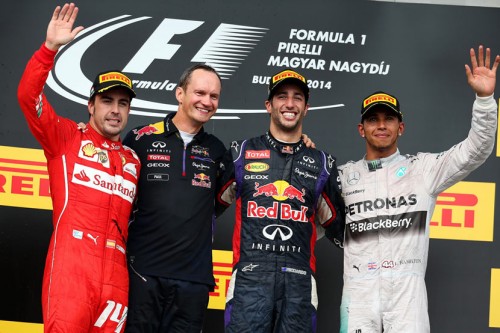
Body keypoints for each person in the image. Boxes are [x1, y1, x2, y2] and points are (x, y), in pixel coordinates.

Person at [338, 45, 499, 333]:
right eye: (373, 119)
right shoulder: (343, 177)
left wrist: (485, 99)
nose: (381, 125)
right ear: (361, 129)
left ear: (401, 127)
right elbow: (310, 217)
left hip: (407, 295)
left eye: (389, 119)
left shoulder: (423, 169)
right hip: (358, 295)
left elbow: (476, 150)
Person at [17, 3, 140, 333]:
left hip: (117, 277)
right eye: (107, 101)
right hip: (72, 270)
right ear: (90, 105)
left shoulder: (134, 160)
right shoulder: (66, 138)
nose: (115, 110)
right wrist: (49, 50)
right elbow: (29, 98)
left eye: (123, 103)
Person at [216, 69, 346, 332]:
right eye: (281, 96)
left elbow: (340, 228)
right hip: (249, 281)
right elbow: (202, 208)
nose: (289, 104)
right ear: (269, 105)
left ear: (306, 108)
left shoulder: (322, 163)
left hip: (299, 284)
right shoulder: (241, 153)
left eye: (297, 97)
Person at [122, 64, 226, 333]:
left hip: (193, 280)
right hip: (142, 272)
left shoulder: (217, 150)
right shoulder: (140, 138)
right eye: (200, 92)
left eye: (214, 96)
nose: (206, 101)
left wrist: (302, 141)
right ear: (180, 93)